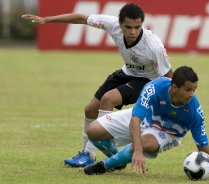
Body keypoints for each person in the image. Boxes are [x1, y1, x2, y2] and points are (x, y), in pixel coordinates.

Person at [22, 3, 173, 167]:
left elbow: (169, 76)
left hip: (148, 81)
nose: (133, 32)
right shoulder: (111, 24)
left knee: (108, 99)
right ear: (120, 23)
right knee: (90, 109)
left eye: (137, 27)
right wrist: (47, 20)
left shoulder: (153, 46)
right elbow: (81, 18)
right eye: (128, 27)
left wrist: (172, 104)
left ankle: (95, 154)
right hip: (126, 72)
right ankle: (91, 154)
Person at [83, 66, 209, 179]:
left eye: (194, 90)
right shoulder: (154, 87)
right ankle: (118, 160)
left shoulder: (194, 111)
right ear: (175, 87)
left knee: (143, 143)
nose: (191, 94)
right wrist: (137, 151)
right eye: (188, 90)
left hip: (167, 132)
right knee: (93, 131)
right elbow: (135, 120)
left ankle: (104, 166)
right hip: (145, 118)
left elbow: (202, 144)